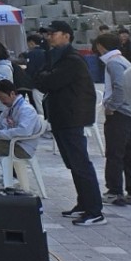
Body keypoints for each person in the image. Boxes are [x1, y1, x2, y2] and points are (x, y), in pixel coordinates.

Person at [35, 20, 104, 225]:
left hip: (71, 117)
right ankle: (83, 203)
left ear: (66, 35)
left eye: (53, 33)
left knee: (80, 164)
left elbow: (48, 81)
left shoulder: (71, 60)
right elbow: (39, 79)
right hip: (61, 116)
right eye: (47, 34)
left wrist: (44, 76)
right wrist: (44, 76)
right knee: (73, 164)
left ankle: (94, 210)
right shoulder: (56, 57)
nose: (49, 37)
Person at [96, 32, 131, 202]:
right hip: (128, 113)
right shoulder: (123, 60)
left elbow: (119, 87)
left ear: (100, 46)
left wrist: (111, 107)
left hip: (120, 114)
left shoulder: (113, 63)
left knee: (115, 153)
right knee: (127, 153)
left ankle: (114, 191)